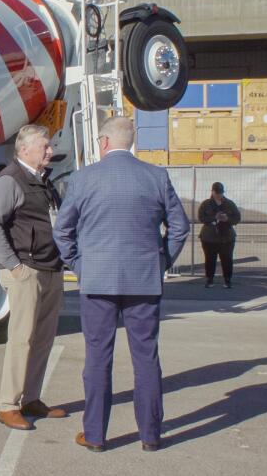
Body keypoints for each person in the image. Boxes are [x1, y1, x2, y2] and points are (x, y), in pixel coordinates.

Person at [52, 117, 189, 452]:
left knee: (98, 358)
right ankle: (150, 435)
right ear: (130, 142)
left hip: (97, 281)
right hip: (144, 280)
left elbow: (62, 231)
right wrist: (160, 263)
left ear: (103, 142)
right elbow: (180, 227)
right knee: (146, 359)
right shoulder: (156, 176)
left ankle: (96, 435)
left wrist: (80, 265)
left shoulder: (84, 179)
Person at [0, 124, 67, 431]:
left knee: (42, 340)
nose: (50, 151)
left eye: (49, 146)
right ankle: (8, 405)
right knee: (21, 340)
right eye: (44, 146)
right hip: (27, 271)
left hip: (51, 269)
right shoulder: (9, 180)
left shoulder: (43, 182)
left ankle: (31, 399)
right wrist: (14, 267)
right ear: (24, 150)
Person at [198, 181, 241, 289]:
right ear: (212, 192)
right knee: (209, 259)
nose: (218, 195)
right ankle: (209, 279)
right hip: (209, 237)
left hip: (227, 237)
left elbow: (237, 218)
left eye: (220, 192)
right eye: (216, 192)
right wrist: (214, 218)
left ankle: (227, 280)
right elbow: (201, 218)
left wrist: (227, 219)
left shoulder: (229, 203)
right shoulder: (206, 204)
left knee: (227, 259)